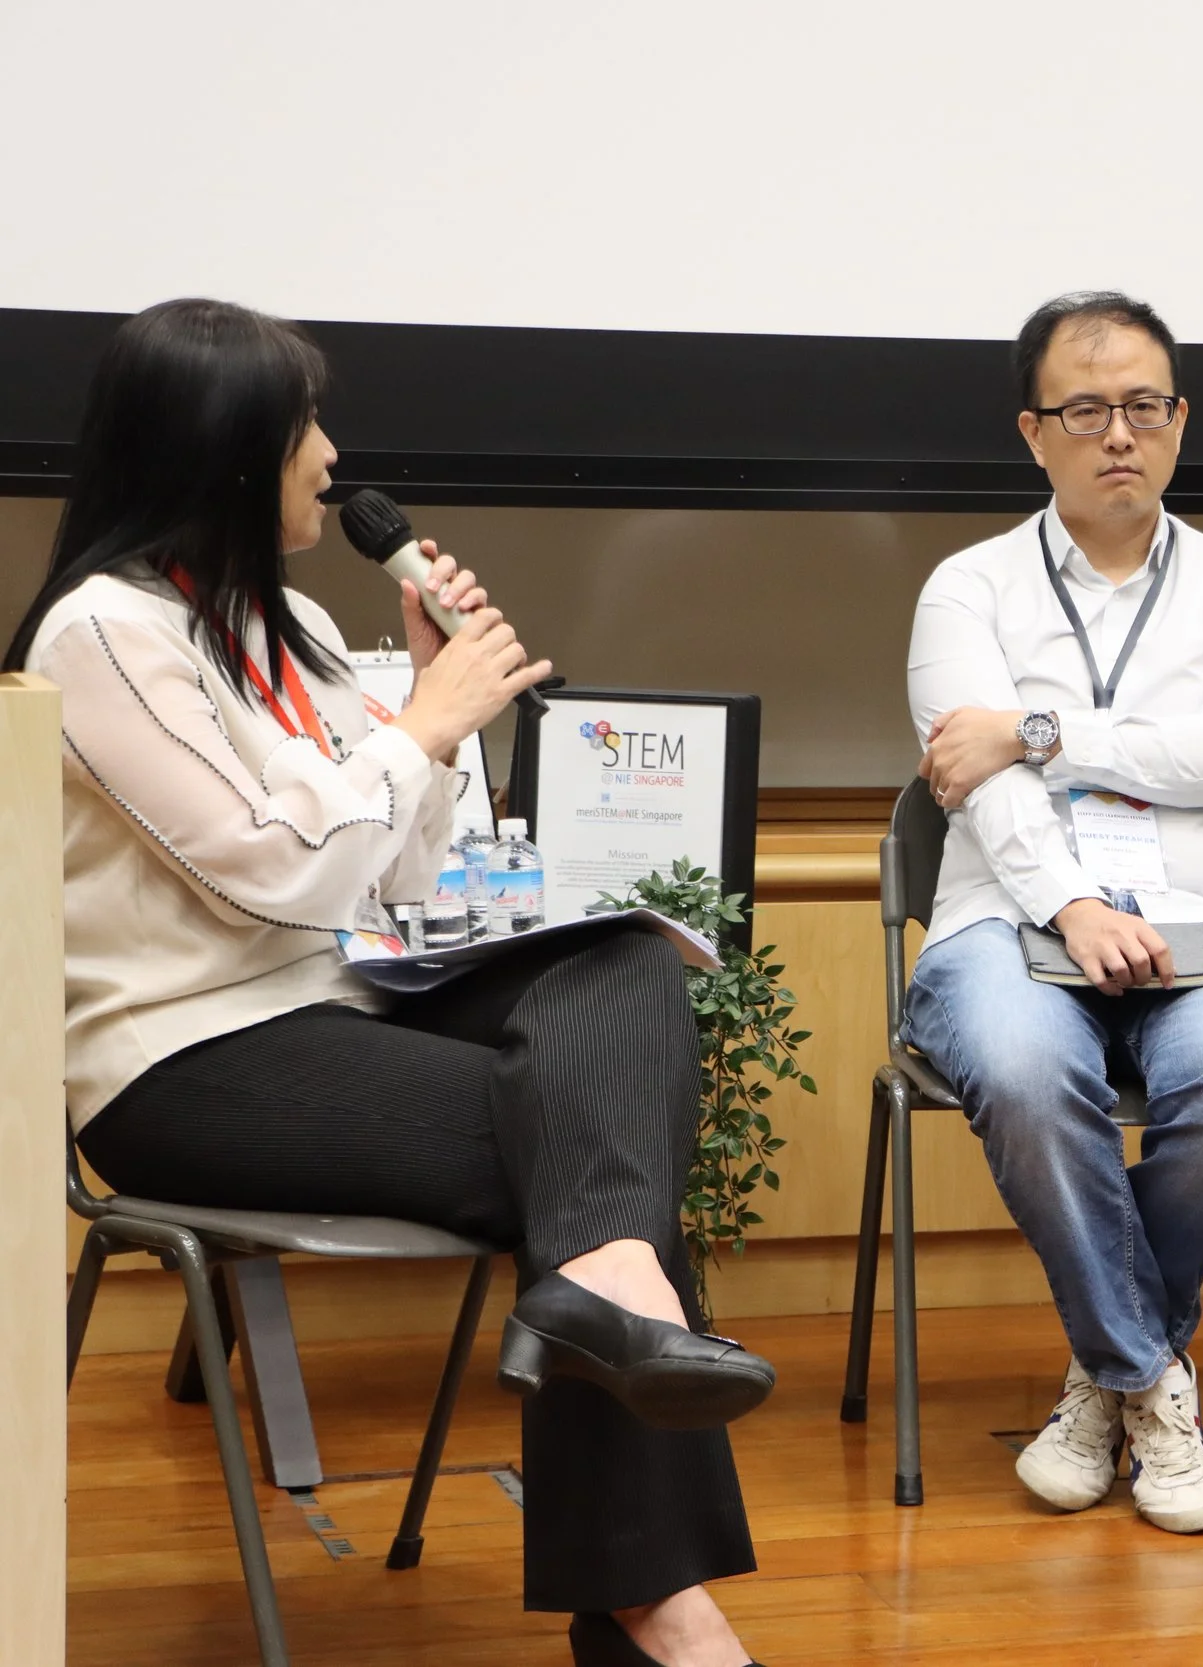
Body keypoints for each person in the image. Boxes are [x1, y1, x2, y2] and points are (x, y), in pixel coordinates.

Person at [12, 299, 771, 1667]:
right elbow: (268, 864)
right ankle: (659, 1600)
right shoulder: (103, 635)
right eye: (304, 424)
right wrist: (418, 725)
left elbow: (389, 875)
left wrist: (432, 714)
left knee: (624, 956)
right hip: (184, 1055)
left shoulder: (291, 620)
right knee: (597, 1151)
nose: (332, 451)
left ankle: (608, 1298)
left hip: (342, 993)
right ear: (230, 449)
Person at [903, 291, 1203, 1533]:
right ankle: (1144, 1373)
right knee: (1025, 1071)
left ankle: (1098, 1375)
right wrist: (1071, 899)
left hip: (1202, 918)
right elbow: (974, 787)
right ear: (1036, 431)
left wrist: (1039, 729)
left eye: (1142, 406)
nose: (1117, 433)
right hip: (1007, 913)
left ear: (1179, 421)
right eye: (1086, 409)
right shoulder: (964, 588)